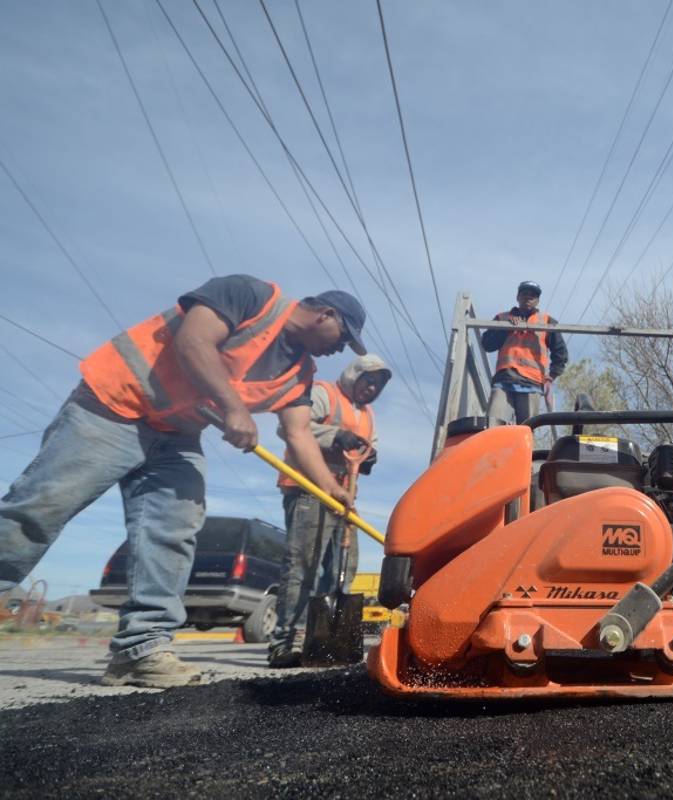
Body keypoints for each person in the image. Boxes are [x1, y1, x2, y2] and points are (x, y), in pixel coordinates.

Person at [0, 276, 365, 687]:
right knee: (38, 509)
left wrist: (332, 490)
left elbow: (299, 434)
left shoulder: (301, 374)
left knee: (173, 530)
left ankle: (142, 648)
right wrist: (233, 409)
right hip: (112, 408)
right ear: (325, 314)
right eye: (343, 336)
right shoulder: (253, 296)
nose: (340, 348)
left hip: (177, 436)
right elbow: (193, 341)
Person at [268, 354, 391, 667]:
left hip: (343, 499)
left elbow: (364, 450)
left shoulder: (368, 415)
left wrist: (369, 456)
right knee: (303, 567)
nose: (372, 388)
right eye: (369, 380)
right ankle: (285, 641)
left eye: (378, 385)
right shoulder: (325, 394)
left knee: (344, 567)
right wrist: (335, 435)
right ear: (355, 375)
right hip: (309, 490)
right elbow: (291, 429)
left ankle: (322, 641)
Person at [481, 280, 568, 424]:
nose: (528, 298)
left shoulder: (547, 321)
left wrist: (551, 376)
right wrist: (506, 328)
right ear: (518, 297)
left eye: (532, 296)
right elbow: (487, 344)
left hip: (531, 383)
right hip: (504, 380)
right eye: (524, 294)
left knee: (527, 429)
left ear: (537, 301)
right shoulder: (502, 318)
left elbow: (561, 354)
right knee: (492, 425)